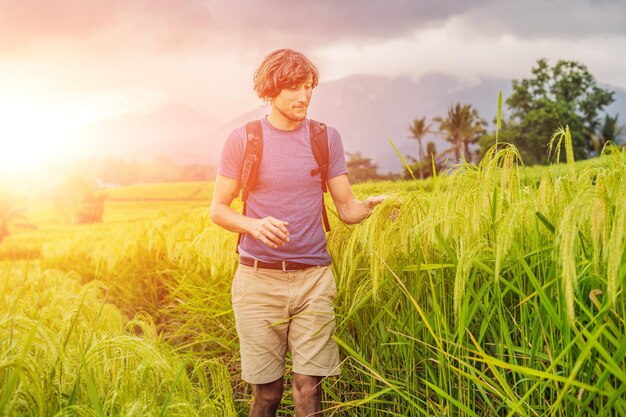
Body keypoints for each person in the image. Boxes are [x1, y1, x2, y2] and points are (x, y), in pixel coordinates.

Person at [210, 48, 387, 417]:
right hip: (258, 283)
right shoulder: (244, 139)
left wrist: (374, 207)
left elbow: (347, 209)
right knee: (268, 395)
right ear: (270, 90)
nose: (304, 96)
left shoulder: (325, 138)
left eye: (308, 87)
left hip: (314, 281)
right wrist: (253, 225)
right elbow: (219, 210)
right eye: (293, 87)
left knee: (309, 390)